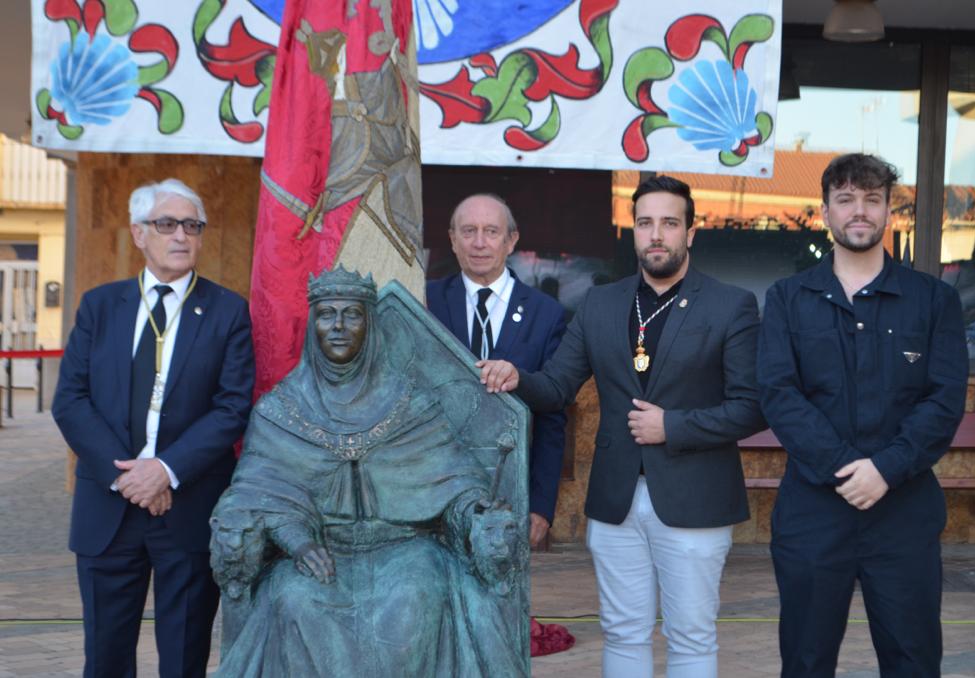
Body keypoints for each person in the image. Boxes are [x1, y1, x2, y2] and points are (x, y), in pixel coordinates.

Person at [480, 176, 765, 678]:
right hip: (615, 500)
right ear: (632, 231)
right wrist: (516, 376)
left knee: (692, 636)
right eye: (646, 223)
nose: (657, 234)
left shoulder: (730, 306)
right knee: (622, 631)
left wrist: (672, 426)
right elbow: (556, 388)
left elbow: (751, 407)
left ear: (690, 233)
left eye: (670, 223)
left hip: (696, 500)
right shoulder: (601, 303)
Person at [210, 266, 527, 677]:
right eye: (327, 314)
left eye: (352, 315)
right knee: (292, 597)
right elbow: (253, 493)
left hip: (405, 548)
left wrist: (477, 511)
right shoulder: (280, 410)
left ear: (370, 325)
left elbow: (456, 482)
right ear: (313, 325)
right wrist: (298, 543)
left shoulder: (410, 403)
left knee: (417, 598)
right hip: (319, 550)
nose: (338, 326)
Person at [757, 153, 968, 677]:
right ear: (825, 212)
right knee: (805, 661)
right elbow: (779, 393)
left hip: (903, 512)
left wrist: (886, 470)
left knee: (913, 661)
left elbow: (944, 400)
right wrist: (849, 469)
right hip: (813, 512)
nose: (859, 211)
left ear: (888, 212)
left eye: (872, 200)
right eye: (846, 199)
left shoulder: (934, 300)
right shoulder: (788, 299)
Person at [52, 179, 255, 677]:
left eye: (192, 225)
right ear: (140, 234)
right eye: (167, 224)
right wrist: (130, 477)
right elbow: (70, 402)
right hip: (108, 506)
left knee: (185, 659)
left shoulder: (228, 311)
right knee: (105, 658)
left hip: (186, 509)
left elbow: (232, 407)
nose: (181, 235)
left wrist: (165, 470)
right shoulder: (100, 306)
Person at [427, 193, 567, 547]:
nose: (479, 243)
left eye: (491, 231)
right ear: (452, 239)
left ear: (512, 240)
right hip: (436, 494)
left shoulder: (546, 314)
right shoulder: (425, 302)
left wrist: (541, 505)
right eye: (468, 230)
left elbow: (553, 418)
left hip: (512, 495)